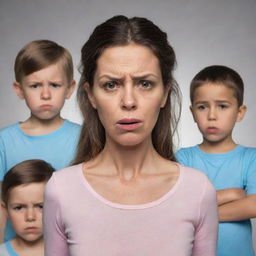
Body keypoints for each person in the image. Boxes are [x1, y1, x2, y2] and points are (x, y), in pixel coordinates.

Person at [44, 15, 218, 256]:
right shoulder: (61, 190)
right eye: (111, 85)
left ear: (165, 92)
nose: (128, 102)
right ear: (91, 95)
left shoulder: (198, 191)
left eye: (144, 84)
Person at [0, 39, 81, 242]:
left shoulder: (85, 138)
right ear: (19, 90)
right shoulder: (4, 141)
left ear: (70, 88)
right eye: (35, 85)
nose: (45, 94)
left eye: (54, 85)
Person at [176, 65, 256, 256]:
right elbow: (180, 206)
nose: (212, 116)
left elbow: (253, 205)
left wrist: (203, 216)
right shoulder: (183, 158)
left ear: (240, 112)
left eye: (222, 106)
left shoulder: (250, 158)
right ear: (193, 112)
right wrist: (231, 194)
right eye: (202, 107)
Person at [0, 159, 54, 256]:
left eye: (40, 206)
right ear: (5, 210)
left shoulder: (70, 251)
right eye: (19, 207)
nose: (30, 217)